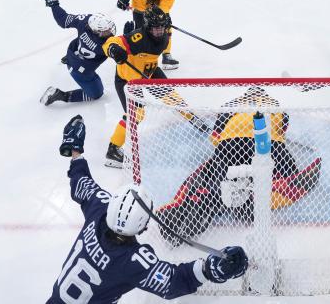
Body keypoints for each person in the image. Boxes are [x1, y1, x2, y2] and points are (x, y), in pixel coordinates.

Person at [46, 115, 248, 304]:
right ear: (142, 227)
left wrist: (75, 151)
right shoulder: (131, 260)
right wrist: (210, 269)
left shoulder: (99, 209)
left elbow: (82, 182)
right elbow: (173, 281)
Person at [155, 87, 322, 247]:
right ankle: (261, 194)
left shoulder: (232, 105)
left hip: (230, 143)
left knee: (212, 171)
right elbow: (282, 130)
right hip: (268, 142)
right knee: (286, 171)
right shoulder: (276, 105)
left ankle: (200, 198)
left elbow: (215, 137)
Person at [102, 6, 205, 168]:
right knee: (136, 115)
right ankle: (113, 150)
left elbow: (162, 36)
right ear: (148, 27)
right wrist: (113, 49)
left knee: (173, 97)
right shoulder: (137, 38)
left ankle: (194, 120)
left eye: (162, 27)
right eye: (156, 28)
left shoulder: (164, 35)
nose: (160, 31)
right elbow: (112, 42)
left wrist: (165, 25)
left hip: (150, 71)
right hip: (128, 81)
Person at [39, 0, 116, 106]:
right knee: (97, 94)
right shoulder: (104, 45)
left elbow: (63, 20)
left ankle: (69, 58)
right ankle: (62, 95)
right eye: (106, 31)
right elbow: (123, 55)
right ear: (98, 32)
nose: (110, 32)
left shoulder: (86, 21)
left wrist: (54, 3)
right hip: (80, 70)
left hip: (74, 54)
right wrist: (128, 39)